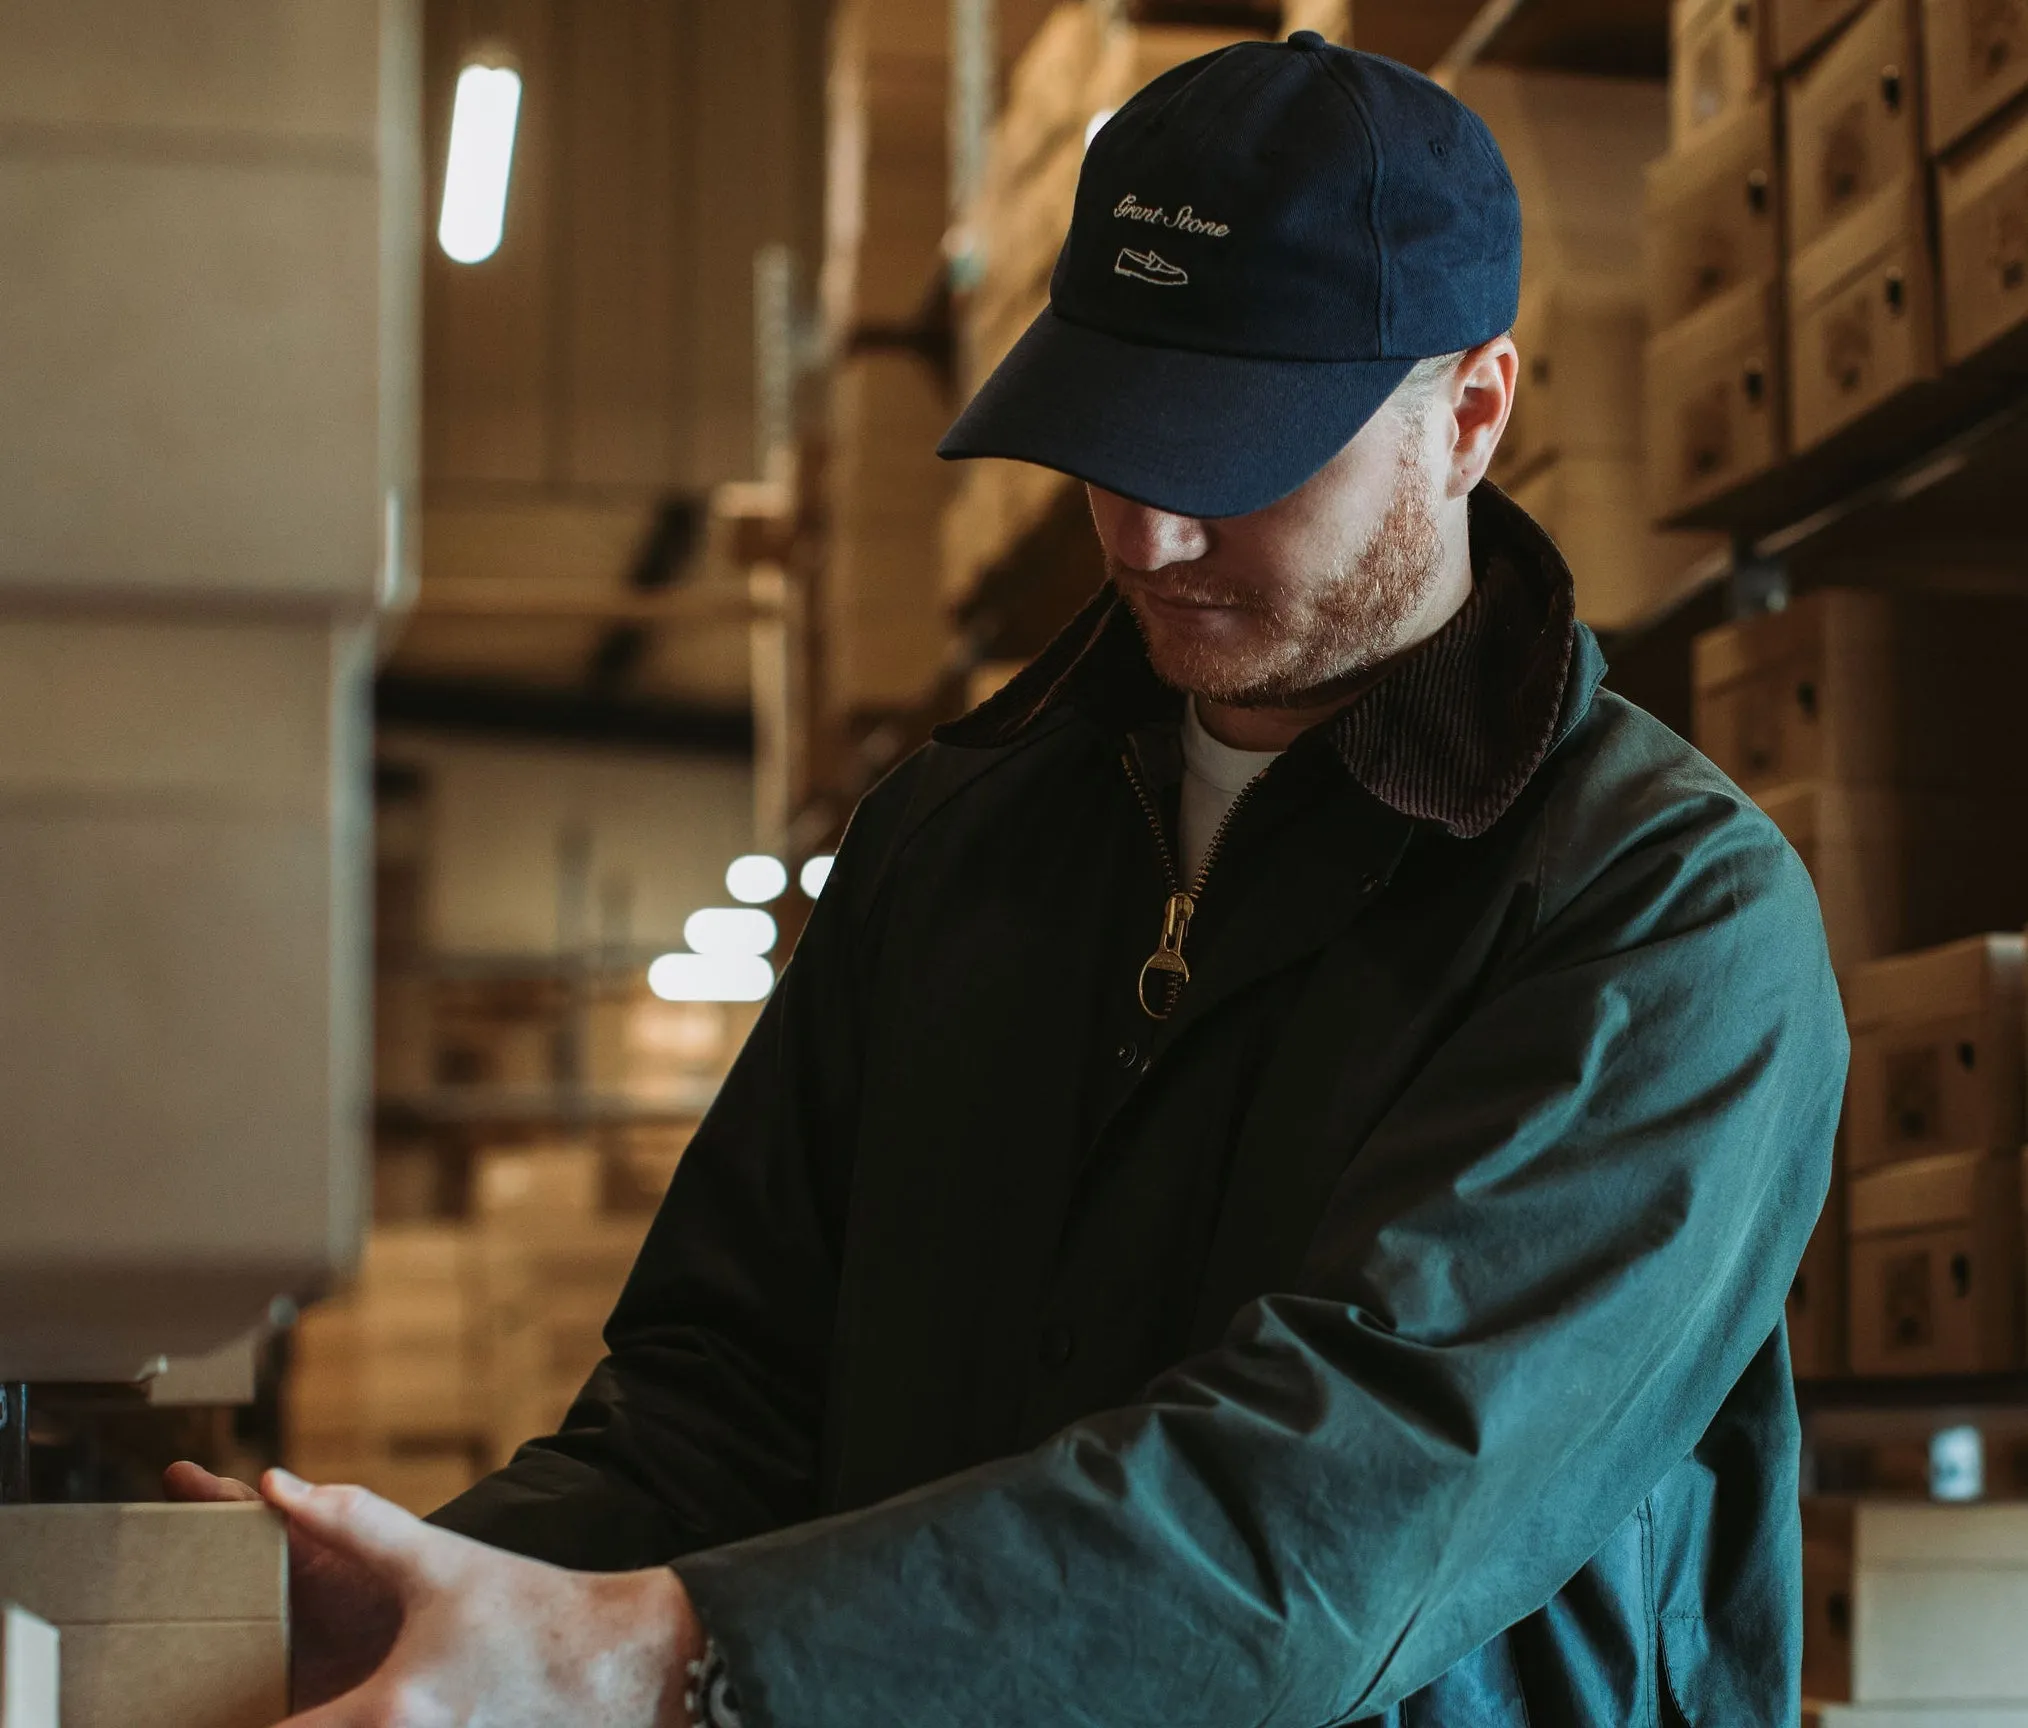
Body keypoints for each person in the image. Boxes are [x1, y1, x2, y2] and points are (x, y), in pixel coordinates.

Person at [173, 31, 1845, 1728]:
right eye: (1114, 436)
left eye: (1236, 449)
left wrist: (661, 1655)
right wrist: (442, 1591)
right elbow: (725, 1401)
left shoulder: (1666, 919)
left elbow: (1329, 1523)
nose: (1145, 535)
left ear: (1472, 411)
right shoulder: (948, 839)